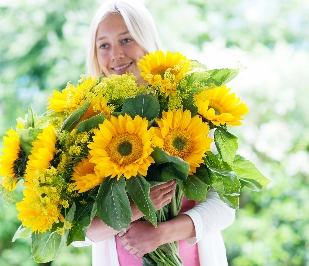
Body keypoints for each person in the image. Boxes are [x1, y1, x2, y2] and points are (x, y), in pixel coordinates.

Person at [73, 1, 236, 265]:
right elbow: (76, 231)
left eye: (126, 39)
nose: (115, 54)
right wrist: (135, 209)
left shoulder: (192, 109)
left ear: (145, 39)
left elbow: (225, 206)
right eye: (103, 45)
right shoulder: (88, 122)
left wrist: (159, 235)